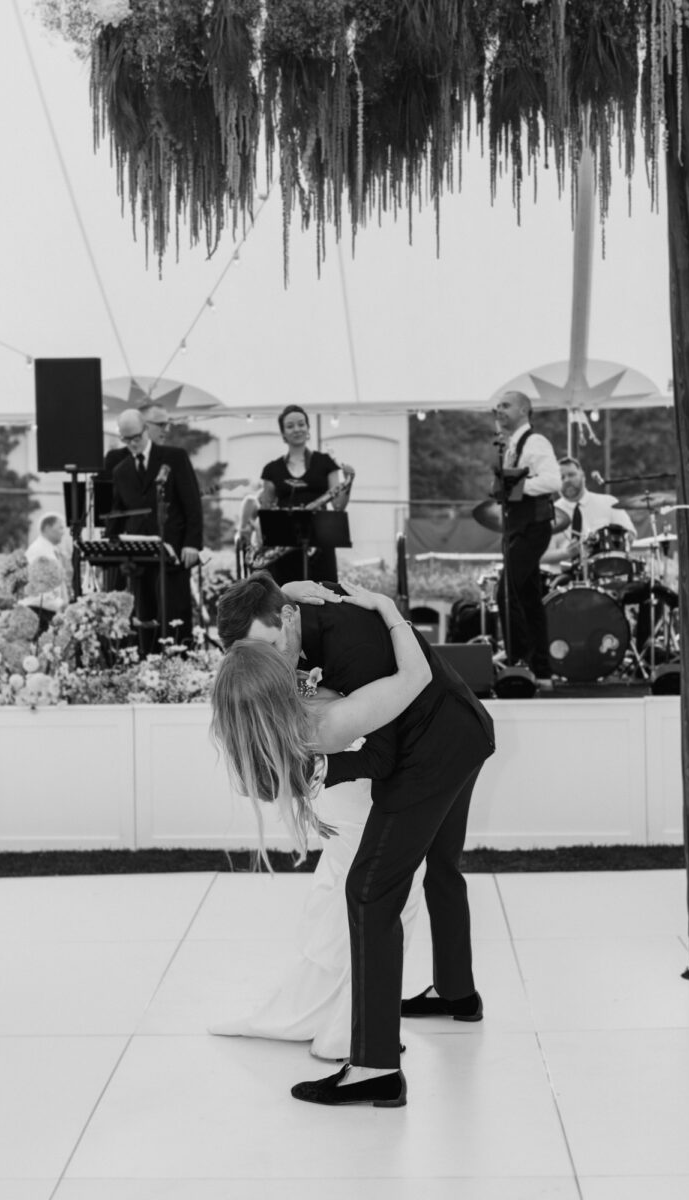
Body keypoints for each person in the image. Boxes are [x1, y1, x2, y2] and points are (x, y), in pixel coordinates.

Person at [215, 572, 496, 1109]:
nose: (270, 663)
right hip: (464, 729)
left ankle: (374, 1066)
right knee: (440, 868)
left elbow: (383, 757)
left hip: (432, 751)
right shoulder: (292, 615)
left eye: (269, 647)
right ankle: (458, 994)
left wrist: (316, 772)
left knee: (370, 891)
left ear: (288, 620)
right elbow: (282, 598)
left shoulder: (350, 645)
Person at [208, 663, 426, 1063]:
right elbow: (385, 735)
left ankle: (318, 1014)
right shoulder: (323, 712)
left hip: (337, 810)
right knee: (391, 905)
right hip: (359, 809)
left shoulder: (273, 724)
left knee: (342, 904)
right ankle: (346, 1034)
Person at [109, 409, 203, 653]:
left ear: (146, 431)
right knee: (144, 616)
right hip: (139, 557)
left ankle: (180, 662)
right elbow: (118, 514)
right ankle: (147, 662)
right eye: (126, 439)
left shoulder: (174, 458)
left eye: (136, 438)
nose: (132, 444)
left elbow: (192, 503)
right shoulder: (121, 471)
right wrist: (110, 545)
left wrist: (192, 543)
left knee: (175, 614)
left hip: (173, 551)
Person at [492, 391, 561, 684]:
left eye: (505, 405)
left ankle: (519, 662)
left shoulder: (535, 442)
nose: (499, 410)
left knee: (506, 593)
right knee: (529, 598)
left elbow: (553, 480)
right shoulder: (511, 446)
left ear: (523, 410)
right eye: (498, 406)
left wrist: (516, 486)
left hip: (533, 526)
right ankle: (541, 670)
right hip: (519, 527)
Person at [257, 405, 354, 585]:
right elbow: (266, 509)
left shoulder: (325, 462)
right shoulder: (271, 469)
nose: (297, 429)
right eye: (290, 426)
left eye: (301, 424)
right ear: (283, 433)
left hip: (321, 544)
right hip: (283, 547)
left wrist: (349, 481)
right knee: (286, 595)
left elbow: (338, 505)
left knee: (324, 593)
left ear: (308, 428)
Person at [541, 456, 636, 582]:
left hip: (605, 578)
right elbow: (540, 556)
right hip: (562, 583)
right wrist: (566, 553)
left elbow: (630, 535)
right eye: (561, 477)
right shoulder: (548, 513)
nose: (567, 480)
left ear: (583, 475)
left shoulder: (609, 502)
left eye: (571, 475)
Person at [20, 512, 71, 633]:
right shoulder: (39, 550)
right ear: (48, 528)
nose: (63, 532)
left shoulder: (49, 549)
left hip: (47, 608)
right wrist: (60, 603)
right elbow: (40, 583)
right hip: (39, 609)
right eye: (60, 527)